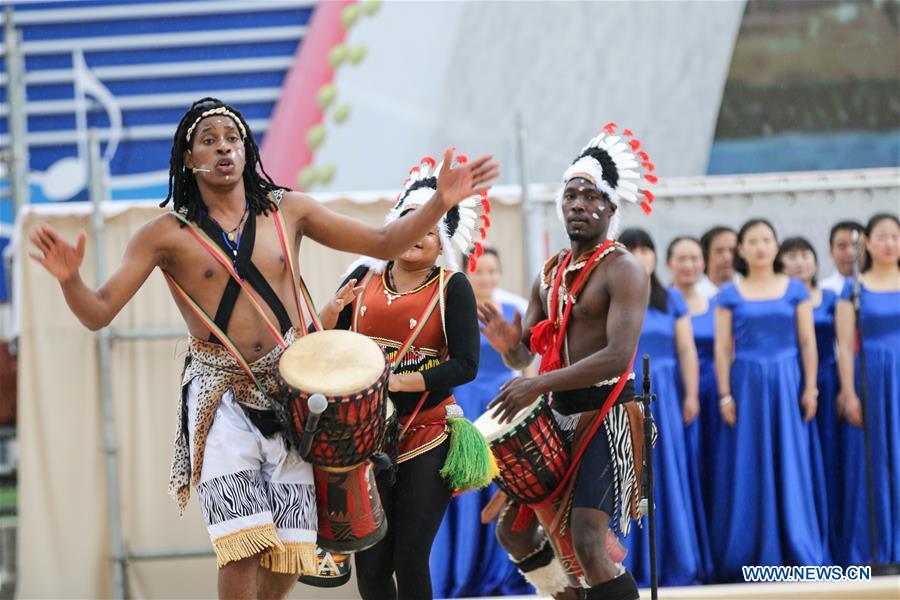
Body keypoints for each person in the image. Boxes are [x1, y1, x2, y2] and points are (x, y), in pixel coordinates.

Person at [27, 98, 499, 600]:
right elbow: (98, 312)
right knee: (243, 545)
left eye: (232, 139)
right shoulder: (165, 235)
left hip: (292, 392)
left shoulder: (287, 211)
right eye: (208, 140)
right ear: (189, 159)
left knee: (289, 554)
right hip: (221, 395)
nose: (223, 148)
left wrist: (438, 203)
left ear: (248, 149)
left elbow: (384, 240)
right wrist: (70, 280)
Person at [479, 122, 656, 600]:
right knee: (514, 532)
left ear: (611, 206)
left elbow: (618, 357)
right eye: (571, 195)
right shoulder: (551, 272)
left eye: (591, 196)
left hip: (606, 412)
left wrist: (536, 384)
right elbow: (525, 354)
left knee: (587, 544)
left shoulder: (624, 270)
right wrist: (508, 347)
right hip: (555, 412)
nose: (579, 204)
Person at [318, 155, 497, 600]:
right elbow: (329, 350)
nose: (418, 234)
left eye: (429, 229)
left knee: (409, 557)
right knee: (372, 563)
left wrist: (397, 383)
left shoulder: (451, 288)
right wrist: (326, 315)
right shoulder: (362, 278)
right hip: (363, 438)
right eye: (410, 222)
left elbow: (465, 366)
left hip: (427, 435)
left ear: (443, 244)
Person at [711, 219, 827, 581]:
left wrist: (810, 387)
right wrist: (725, 393)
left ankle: (798, 545)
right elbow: (721, 348)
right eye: (752, 241)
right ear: (741, 250)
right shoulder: (730, 293)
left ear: (775, 246)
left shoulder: (795, 290)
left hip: (787, 380)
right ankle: (751, 550)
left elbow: (808, 343)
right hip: (746, 383)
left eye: (766, 239)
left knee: (791, 458)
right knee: (750, 458)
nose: (760, 246)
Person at [430, 247, 532, 599]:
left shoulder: (516, 305)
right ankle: (460, 570)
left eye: (493, 271)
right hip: (464, 402)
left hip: (503, 405)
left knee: (504, 481)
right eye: (480, 271)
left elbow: (526, 364)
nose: (487, 278)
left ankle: (504, 569)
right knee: (462, 481)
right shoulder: (451, 309)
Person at [618, 229, 710, 586]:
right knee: (631, 469)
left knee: (669, 468)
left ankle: (676, 557)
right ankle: (630, 560)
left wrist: (691, 395)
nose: (641, 256)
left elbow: (686, 350)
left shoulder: (669, 299)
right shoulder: (613, 297)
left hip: (667, 393)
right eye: (632, 249)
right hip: (625, 397)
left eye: (647, 249)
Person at [835, 213, 900, 566]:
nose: (890, 243)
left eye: (896, 236)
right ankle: (876, 549)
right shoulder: (854, 287)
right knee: (875, 461)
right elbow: (845, 345)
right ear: (868, 244)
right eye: (882, 236)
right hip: (872, 378)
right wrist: (848, 391)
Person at [779, 236, 840, 559]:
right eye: (792, 255)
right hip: (789, 383)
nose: (800, 261)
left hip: (828, 382)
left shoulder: (831, 297)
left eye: (806, 254)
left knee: (831, 458)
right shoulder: (780, 298)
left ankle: (833, 538)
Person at [666, 236, 719, 532]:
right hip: (677, 390)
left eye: (694, 258)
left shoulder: (716, 303)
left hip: (713, 389)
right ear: (669, 264)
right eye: (681, 259)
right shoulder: (662, 304)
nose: (688, 265)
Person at [820, 221, 865, 294]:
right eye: (842, 246)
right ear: (831, 252)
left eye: (856, 246)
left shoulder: (881, 287)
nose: (850, 252)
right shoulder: (821, 290)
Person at [696, 226, 737, 298]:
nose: (727, 257)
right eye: (719, 251)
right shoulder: (695, 295)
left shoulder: (751, 291)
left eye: (732, 251)